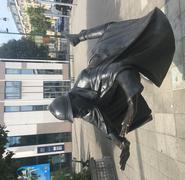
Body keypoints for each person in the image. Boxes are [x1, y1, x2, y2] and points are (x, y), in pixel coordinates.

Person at [49, 7, 175, 170]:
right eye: (75, 115)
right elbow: (103, 126)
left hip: (108, 55)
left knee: (112, 29)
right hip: (111, 82)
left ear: (72, 98)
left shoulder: (86, 78)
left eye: (75, 111)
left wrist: (131, 100)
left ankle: (79, 36)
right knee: (112, 115)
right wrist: (121, 143)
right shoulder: (82, 109)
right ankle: (79, 36)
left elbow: (121, 69)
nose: (78, 114)